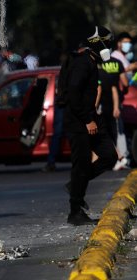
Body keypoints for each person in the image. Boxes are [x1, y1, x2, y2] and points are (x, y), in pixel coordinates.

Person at [63, 26, 118, 226]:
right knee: (81, 164)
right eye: (107, 41)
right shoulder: (82, 63)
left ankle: (75, 186)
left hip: (91, 117)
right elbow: (73, 94)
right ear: (98, 43)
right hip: (79, 121)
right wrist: (87, 120)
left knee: (109, 155)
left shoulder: (92, 62)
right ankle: (75, 212)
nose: (110, 45)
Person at [98, 56, 129, 171]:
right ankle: (120, 157)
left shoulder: (96, 74)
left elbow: (99, 91)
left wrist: (94, 107)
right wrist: (116, 107)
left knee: (104, 135)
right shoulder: (110, 70)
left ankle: (120, 158)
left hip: (102, 109)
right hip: (111, 107)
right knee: (112, 134)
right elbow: (115, 90)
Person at [111, 32, 136, 170]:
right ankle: (122, 157)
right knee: (118, 129)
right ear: (119, 43)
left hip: (123, 98)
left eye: (129, 43)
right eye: (125, 42)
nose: (128, 45)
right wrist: (130, 68)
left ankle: (123, 157)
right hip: (121, 99)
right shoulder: (116, 58)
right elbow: (121, 80)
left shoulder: (123, 57)